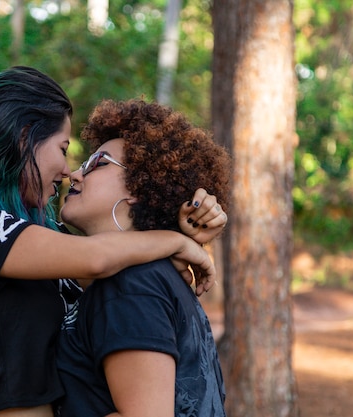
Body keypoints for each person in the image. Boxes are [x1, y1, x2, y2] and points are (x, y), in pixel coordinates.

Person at [0, 67, 226, 417]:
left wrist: (185, 229)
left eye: (95, 163)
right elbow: (97, 260)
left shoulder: (50, 238)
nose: (68, 170)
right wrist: (177, 241)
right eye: (63, 149)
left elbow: (127, 282)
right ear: (24, 138)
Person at [55, 98, 231, 417]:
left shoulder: (129, 285)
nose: (75, 175)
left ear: (139, 187)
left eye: (99, 163)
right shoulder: (154, 274)